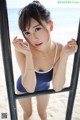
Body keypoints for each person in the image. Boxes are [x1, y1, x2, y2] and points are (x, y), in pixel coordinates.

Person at [12, 1, 78, 120]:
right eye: (27, 32)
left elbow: (57, 87)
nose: (33, 38)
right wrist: (28, 55)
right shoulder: (22, 50)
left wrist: (64, 57)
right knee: (28, 114)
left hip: (44, 87)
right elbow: (30, 88)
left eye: (37, 29)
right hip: (23, 87)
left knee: (42, 113)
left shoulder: (59, 50)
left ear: (50, 26)